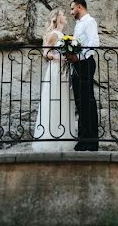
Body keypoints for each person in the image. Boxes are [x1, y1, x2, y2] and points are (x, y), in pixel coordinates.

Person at [31, 8, 77, 152]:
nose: (65, 16)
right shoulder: (53, 34)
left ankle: (64, 138)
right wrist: (62, 58)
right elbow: (46, 53)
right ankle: (51, 140)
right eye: (63, 14)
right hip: (56, 71)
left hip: (63, 71)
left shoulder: (63, 35)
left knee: (64, 101)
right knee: (54, 100)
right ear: (57, 18)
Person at [68, 0, 100, 151]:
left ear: (79, 7)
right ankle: (83, 139)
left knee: (88, 102)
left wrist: (78, 57)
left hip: (85, 64)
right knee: (81, 103)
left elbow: (94, 42)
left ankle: (91, 142)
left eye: (72, 9)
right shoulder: (78, 24)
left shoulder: (89, 21)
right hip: (78, 64)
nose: (71, 12)